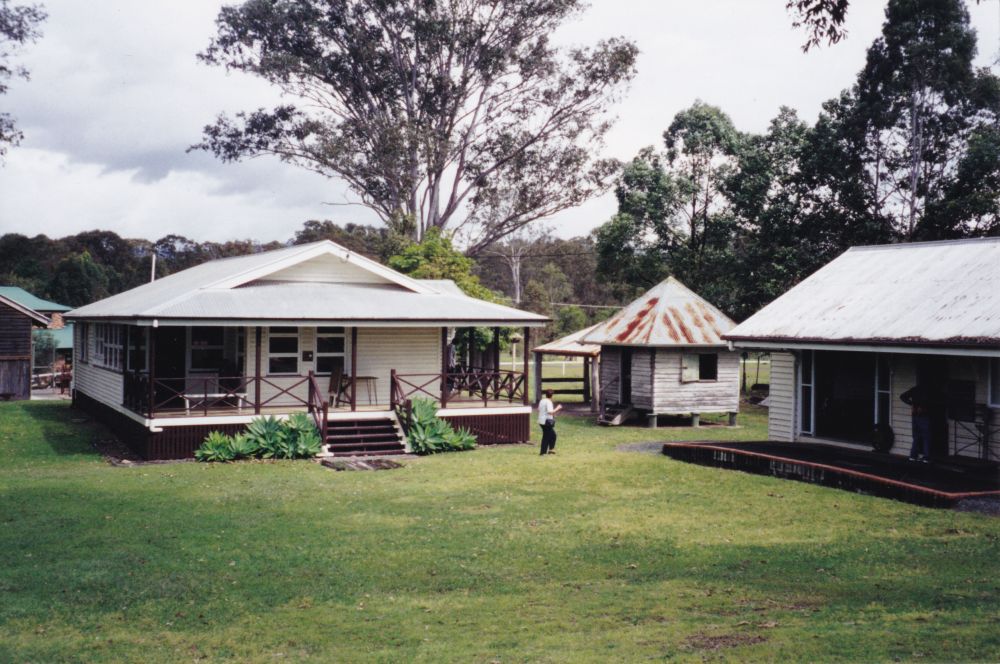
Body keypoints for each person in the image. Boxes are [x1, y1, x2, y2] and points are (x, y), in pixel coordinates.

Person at [900, 383, 932, 462]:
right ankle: (926, 457)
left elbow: (902, 396)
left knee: (916, 437)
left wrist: (912, 404)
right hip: (924, 415)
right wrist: (921, 406)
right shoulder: (927, 391)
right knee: (926, 437)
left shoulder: (914, 389)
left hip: (915, 416)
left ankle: (913, 456)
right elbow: (928, 401)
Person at [537, 388, 563, 455]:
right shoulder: (549, 402)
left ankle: (551, 449)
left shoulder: (542, 400)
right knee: (546, 436)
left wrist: (551, 415)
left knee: (553, 435)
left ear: (546, 394)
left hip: (541, 421)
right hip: (546, 422)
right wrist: (558, 408)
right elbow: (550, 412)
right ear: (552, 395)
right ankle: (542, 453)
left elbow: (538, 409)